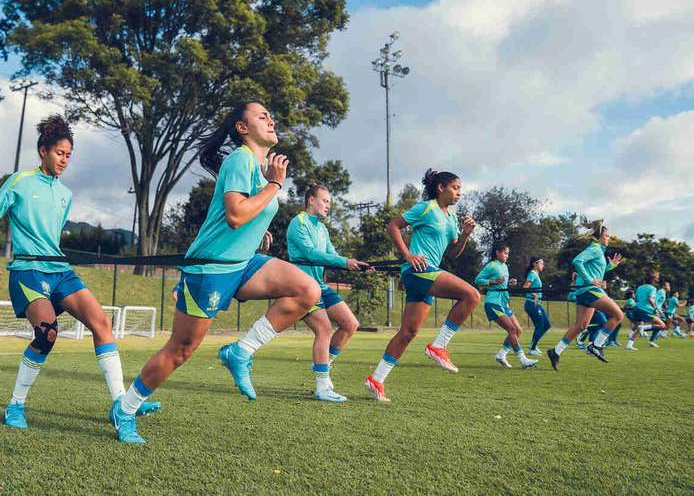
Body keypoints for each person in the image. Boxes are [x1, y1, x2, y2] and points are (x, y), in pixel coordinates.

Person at [110, 101, 321, 443]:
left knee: (307, 291)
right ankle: (126, 407)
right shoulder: (241, 159)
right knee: (180, 349)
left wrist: (260, 231)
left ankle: (240, 351)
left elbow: (243, 219)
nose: (271, 119)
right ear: (242, 129)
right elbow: (236, 214)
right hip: (211, 269)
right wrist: (275, 186)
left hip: (242, 263)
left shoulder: (257, 165)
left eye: (270, 114)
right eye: (261, 116)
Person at [0, 115, 159, 431]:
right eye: (60, 153)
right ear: (43, 150)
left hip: (60, 270)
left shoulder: (65, 195)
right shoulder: (19, 181)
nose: (65, 160)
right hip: (28, 271)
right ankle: (15, 406)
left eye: (69, 156)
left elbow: (53, 235)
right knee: (47, 332)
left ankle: (120, 404)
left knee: (101, 321)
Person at [365, 170, 480, 402]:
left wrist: (465, 235)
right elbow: (393, 226)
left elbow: (452, 254)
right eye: (455, 188)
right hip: (417, 272)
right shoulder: (425, 208)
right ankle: (439, 346)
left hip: (427, 276)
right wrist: (408, 255)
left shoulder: (450, 218)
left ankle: (376, 380)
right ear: (441, 188)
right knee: (472, 295)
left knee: (408, 333)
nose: (459, 193)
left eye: (460, 189)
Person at [286, 184, 369, 402]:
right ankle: (322, 387)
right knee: (324, 329)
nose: (328, 206)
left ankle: (323, 365)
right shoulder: (298, 223)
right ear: (311, 200)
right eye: (325, 201)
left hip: (320, 286)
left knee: (350, 324)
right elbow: (311, 254)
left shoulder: (322, 229)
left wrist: (357, 265)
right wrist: (344, 262)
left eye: (330, 202)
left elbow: (331, 255)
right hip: (302, 287)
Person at [546, 220, 624, 370]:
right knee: (618, 315)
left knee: (581, 326)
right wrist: (591, 281)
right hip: (589, 290)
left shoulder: (598, 251)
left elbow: (596, 272)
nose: (609, 238)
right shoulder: (594, 248)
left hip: (584, 292)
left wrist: (610, 266)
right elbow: (577, 261)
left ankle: (555, 352)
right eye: (607, 236)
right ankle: (597, 345)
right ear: (599, 237)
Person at [475, 244, 538, 369]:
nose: (507, 256)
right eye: (505, 253)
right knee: (511, 330)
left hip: (504, 303)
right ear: (498, 253)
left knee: (518, 330)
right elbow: (477, 280)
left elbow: (501, 284)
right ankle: (523, 360)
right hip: (493, 302)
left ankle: (501, 354)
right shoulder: (491, 265)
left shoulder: (505, 267)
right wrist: (493, 282)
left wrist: (509, 283)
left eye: (508, 253)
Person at [625, 271, 667, 350]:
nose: (658, 278)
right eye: (657, 277)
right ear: (653, 279)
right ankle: (643, 328)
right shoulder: (652, 288)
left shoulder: (640, 287)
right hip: (646, 310)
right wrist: (656, 309)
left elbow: (636, 299)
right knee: (662, 325)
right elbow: (651, 299)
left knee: (639, 328)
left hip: (636, 309)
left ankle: (629, 345)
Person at [522, 257, 550, 355]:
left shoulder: (536, 275)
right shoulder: (532, 274)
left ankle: (533, 345)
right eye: (541, 263)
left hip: (538, 304)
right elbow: (525, 287)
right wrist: (534, 295)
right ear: (535, 264)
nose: (543, 265)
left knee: (547, 325)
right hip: (531, 304)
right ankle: (532, 349)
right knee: (540, 325)